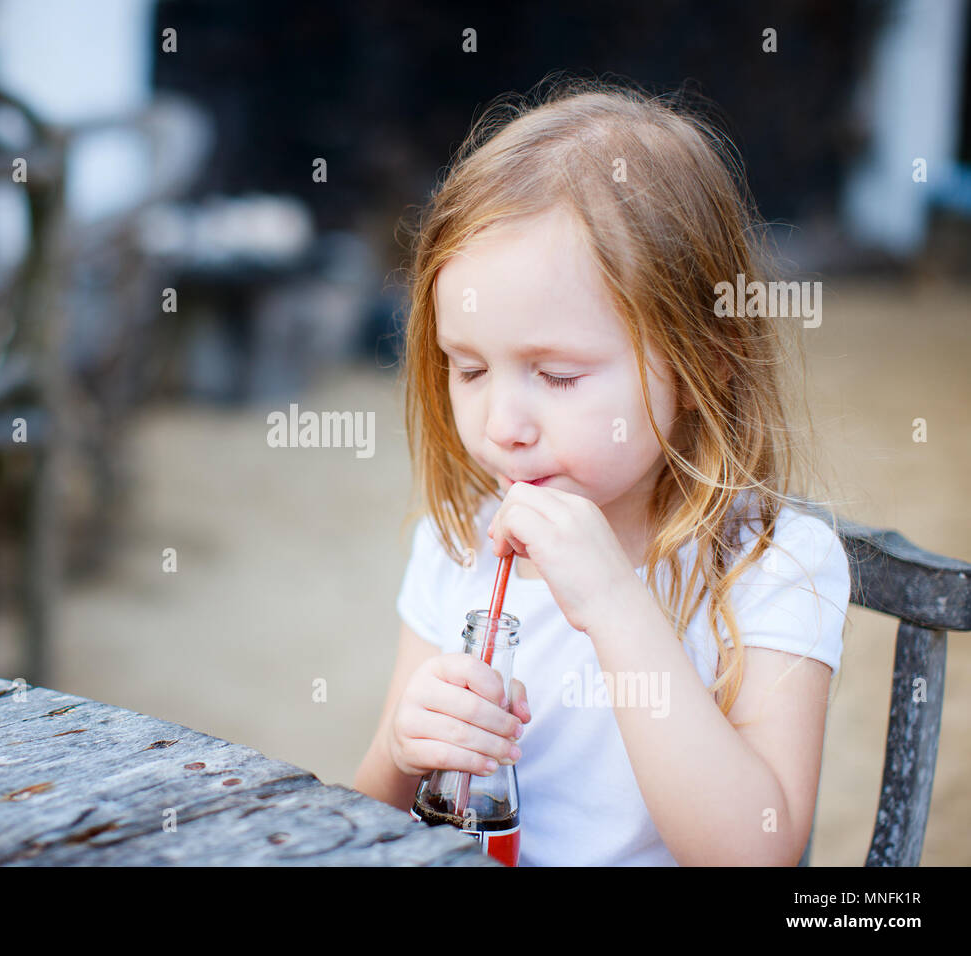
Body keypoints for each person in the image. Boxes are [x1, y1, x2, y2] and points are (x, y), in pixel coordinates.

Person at [354, 79, 851, 866]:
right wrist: (401, 744)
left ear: (702, 362)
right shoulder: (462, 544)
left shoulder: (773, 567)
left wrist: (616, 605)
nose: (502, 426)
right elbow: (366, 822)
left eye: (557, 377)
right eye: (470, 369)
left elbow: (755, 854)